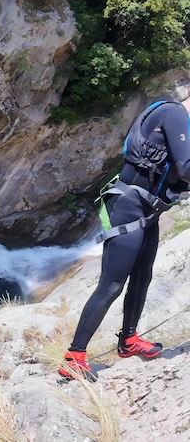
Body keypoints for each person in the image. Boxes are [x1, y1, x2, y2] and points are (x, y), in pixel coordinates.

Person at [59, 97, 190, 382]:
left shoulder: (175, 117)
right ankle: (74, 358)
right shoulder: (174, 114)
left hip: (148, 210)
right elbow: (185, 168)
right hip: (129, 208)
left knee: (142, 277)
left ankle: (129, 340)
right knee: (111, 285)